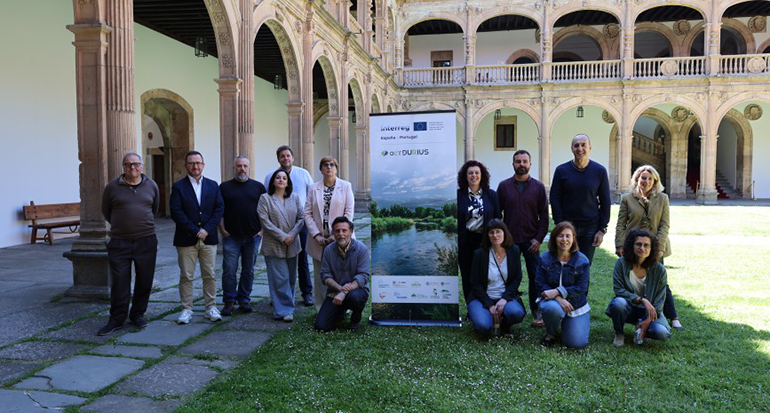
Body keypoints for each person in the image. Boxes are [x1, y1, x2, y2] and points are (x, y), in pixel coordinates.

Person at [97, 153, 160, 336]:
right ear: (123, 167)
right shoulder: (112, 187)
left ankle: (137, 314)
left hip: (146, 240)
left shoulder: (152, 186)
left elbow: (153, 209)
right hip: (119, 242)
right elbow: (106, 211)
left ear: (142, 166)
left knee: (145, 280)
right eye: (128, 165)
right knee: (120, 282)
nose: (133, 168)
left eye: (136, 164)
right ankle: (116, 319)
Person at [615, 165, 682, 330]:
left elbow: (665, 225)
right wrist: (619, 244)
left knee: (660, 283)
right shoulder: (627, 199)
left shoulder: (663, 199)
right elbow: (621, 224)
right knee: (630, 280)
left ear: (655, 181)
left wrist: (658, 248)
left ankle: (672, 317)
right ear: (637, 179)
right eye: (643, 178)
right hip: (633, 247)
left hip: (655, 248)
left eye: (650, 179)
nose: (646, 181)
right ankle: (630, 313)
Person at [170, 151, 224, 324]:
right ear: (186, 165)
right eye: (191, 163)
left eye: (198, 163)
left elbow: (219, 209)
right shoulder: (178, 187)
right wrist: (195, 230)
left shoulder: (213, 185)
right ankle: (187, 309)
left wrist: (206, 230)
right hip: (186, 239)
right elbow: (176, 212)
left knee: (209, 275)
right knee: (187, 276)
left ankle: (211, 307)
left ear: (203, 164)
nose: (195, 166)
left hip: (208, 239)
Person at [496, 149, 549, 327]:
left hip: (531, 241)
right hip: (509, 242)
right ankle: (509, 305)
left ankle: (536, 307)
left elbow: (544, 216)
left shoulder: (539, 187)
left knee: (536, 276)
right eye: (518, 161)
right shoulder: (503, 187)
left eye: (525, 161)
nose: (521, 165)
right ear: (513, 164)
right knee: (509, 276)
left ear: (530, 164)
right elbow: (498, 216)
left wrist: (538, 239)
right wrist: (502, 239)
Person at [264, 146, 314, 306]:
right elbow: (267, 197)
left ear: (292, 158)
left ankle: (307, 293)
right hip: (278, 224)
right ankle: (279, 295)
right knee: (278, 260)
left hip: (300, 223)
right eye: (282, 156)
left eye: (288, 156)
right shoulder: (270, 176)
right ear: (278, 159)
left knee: (302, 259)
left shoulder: (303, 174)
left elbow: (311, 196)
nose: (285, 159)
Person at [550, 134, 610, 264]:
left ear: (590, 147)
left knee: (584, 266)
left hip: (590, 227)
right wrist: (559, 223)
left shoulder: (599, 171)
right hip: (567, 226)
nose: (580, 148)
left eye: (583, 145)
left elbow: (605, 201)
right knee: (565, 264)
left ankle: (582, 286)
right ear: (572, 148)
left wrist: (601, 230)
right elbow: (555, 198)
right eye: (576, 145)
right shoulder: (561, 170)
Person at [304, 156, 355, 312]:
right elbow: (307, 213)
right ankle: (321, 308)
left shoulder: (346, 186)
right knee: (320, 275)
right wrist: (316, 235)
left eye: (332, 165)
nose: (329, 167)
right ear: (321, 169)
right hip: (318, 240)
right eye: (325, 165)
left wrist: (337, 234)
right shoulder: (313, 188)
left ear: (336, 168)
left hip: (340, 238)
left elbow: (348, 212)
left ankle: (342, 307)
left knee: (341, 273)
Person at [606, 229, 672, 347]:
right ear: (632, 246)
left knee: (662, 333)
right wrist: (642, 300)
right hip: (629, 307)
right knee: (618, 303)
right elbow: (618, 289)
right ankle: (619, 333)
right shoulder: (621, 263)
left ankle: (644, 329)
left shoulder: (659, 269)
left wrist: (648, 320)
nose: (642, 248)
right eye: (638, 244)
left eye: (646, 245)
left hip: (650, 311)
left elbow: (659, 300)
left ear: (652, 249)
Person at [218, 156, 266, 316]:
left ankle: (244, 299)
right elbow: (219, 211)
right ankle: (229, 301)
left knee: (248, 270)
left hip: (253, 236)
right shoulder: (224, 187)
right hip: (231, 236)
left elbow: (266, 211)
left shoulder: (258, 187)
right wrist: (222, 230)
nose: (242, 169)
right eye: (239, 166)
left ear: (249, 168)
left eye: (245, 166)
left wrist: (262, 231)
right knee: (229, 270)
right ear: (234, 167)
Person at [535, 222, 591, 349]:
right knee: (552, 309)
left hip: (575, 305)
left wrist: (557, 292)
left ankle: (566, 323)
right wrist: (558, 297)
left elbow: (581, 288)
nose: (564, 240)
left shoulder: (582, 261)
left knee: (576, 343)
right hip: (552, 302)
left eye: (568, 236)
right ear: (554, 238)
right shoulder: (545, 258)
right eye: (560, 236)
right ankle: (551, 333)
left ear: (573, 239)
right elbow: (539, 283)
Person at [258, 169, 304, 322]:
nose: (281, 180)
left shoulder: (295, 198)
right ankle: (284, 310)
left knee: (291, 278)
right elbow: (265, 221)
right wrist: (283, 236)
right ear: (273, 181)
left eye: (284, 178)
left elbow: (301, 218)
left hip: (292, 243)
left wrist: (291, 235)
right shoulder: (265, 198)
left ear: (288, 182)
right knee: (280, 278)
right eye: (278, 177)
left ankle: (285, 304)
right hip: (274, 243)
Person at [467, 219, 526, 337]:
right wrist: (489, 304)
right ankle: (486, 317)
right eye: (491, 232)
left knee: (517, 313)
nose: (495, 235)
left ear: (504, 233)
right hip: (482, 298)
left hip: (504, 297)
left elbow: (517, 277)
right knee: (483, 326)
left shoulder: (514, 250)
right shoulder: (480, 254)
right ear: (487, 235)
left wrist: (504, 299)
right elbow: (475, 283)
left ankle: (504, 324)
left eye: (498, 231)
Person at [314, 217, 370, 332]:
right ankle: (341, 311)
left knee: (356, 297)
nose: (341, 234)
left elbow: (363, 275)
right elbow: (325, 275)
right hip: (335, 292)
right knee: (321, 327)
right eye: (337, 231)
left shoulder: (362, 249)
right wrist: (340, 290)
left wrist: (344, 293)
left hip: (356, 290)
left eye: (344, 230)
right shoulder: (328, 250)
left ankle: (355, 320)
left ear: (351, 232)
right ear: (333, 233)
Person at [457, 160, 500, 302]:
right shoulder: (457, 196)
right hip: (465, 241)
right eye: (470, 173)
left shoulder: (491, 195)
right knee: (467, 274)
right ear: (465, 176)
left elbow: (498, 219)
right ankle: (471, 307)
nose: (474, 176)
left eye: (477, 173)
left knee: (485, 274)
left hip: (485, 241)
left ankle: (485, 304)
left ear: (482, 175)